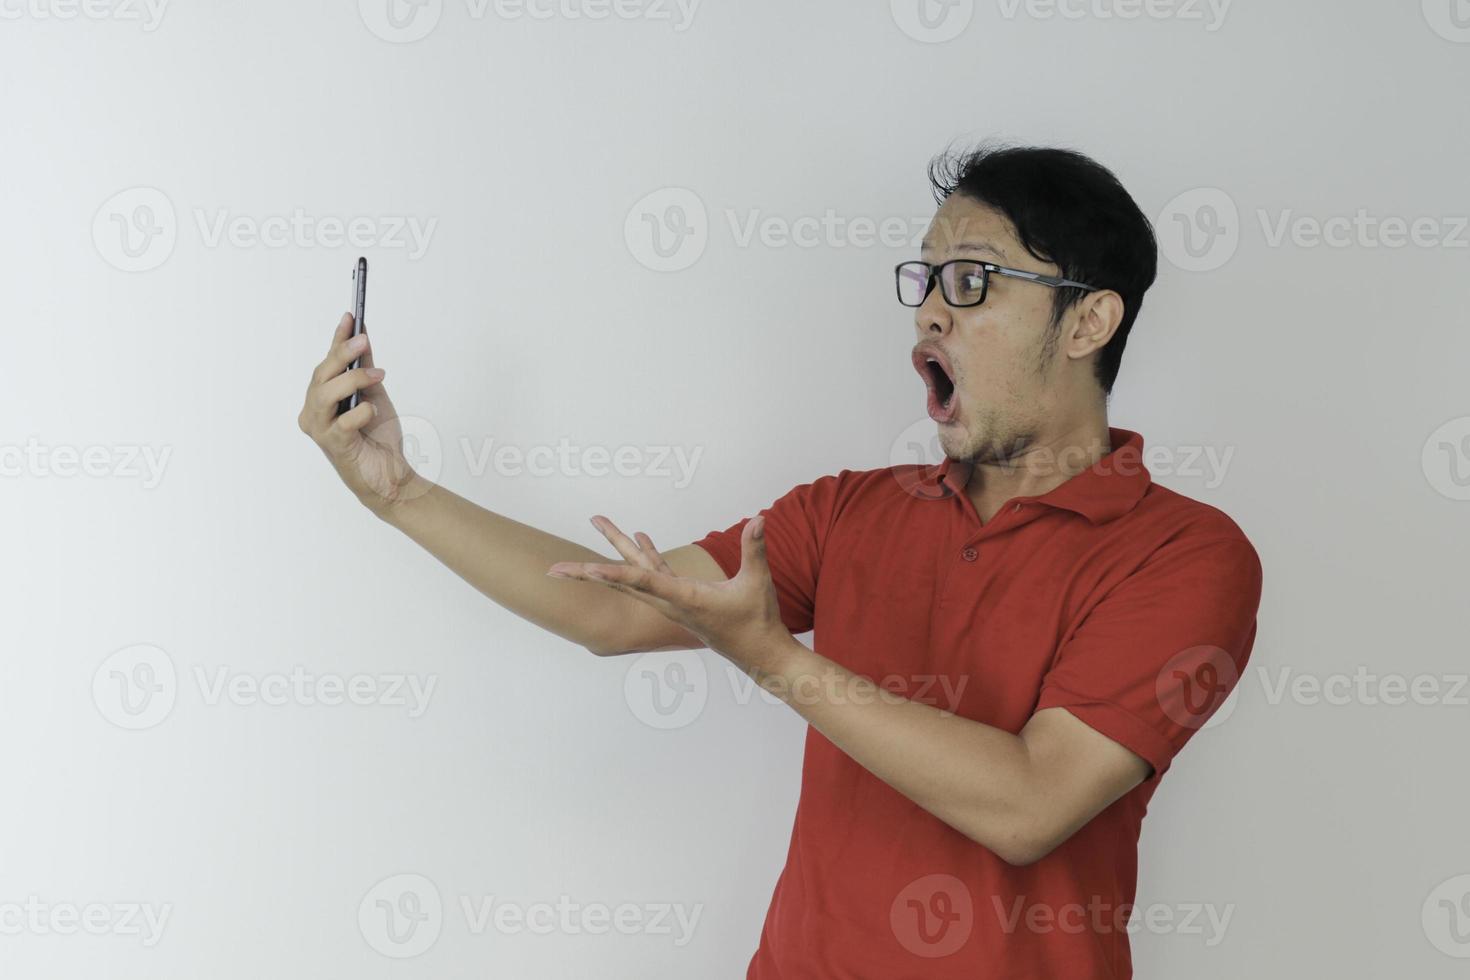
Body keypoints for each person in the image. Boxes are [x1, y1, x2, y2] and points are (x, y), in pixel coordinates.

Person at [297, 142, 1263, 979]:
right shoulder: (848, 512)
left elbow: (1030, 802)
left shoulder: (1185, 555)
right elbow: (610, 611)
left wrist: (775, 660)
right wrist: (401, 494)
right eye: (922, 281)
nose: (930, 312)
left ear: (1089, 322)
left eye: (971, 282)